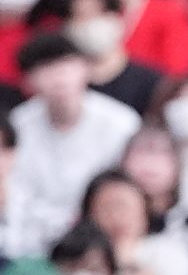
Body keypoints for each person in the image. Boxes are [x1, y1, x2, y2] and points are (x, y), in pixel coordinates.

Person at [6, 32, 141, 258]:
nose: (59, 77)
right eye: (47, 68)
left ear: (86, 68)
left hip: (105, 238)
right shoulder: (18, 127)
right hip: (33, 242)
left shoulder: (121, 123)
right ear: (29, 80)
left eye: (67, 64)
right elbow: (16, 194)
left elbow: (127, 191)